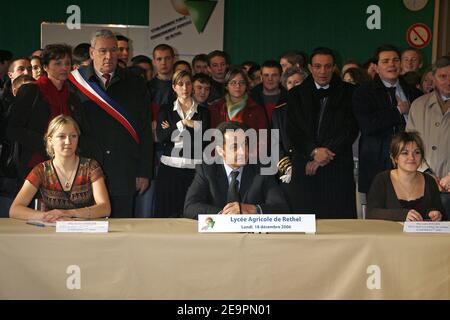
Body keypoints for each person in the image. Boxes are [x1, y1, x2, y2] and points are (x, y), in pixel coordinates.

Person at [68, 29, 152, 218]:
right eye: (103, 51)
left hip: (124, 170)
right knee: (85, 232)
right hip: (85, 171)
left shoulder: (135, 82)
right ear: (91, 52)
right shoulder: (74, 82)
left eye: (113, 50)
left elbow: (145, 130)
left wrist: (144, 172)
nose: (109, 56)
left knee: (121, 233)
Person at [286, 47, 359, 219]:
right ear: (310, 68)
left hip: (337, 167)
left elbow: (350, 130)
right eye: (318, 66)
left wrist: (323, 156)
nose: (323, 71)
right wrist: (313, 152)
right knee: (303, 225)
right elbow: (292, 130)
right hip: (304, 167)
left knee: (339, 227)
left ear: (334, 67)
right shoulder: (295, 94)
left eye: (327, 66)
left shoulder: (350, 92)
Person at [9, 115, 110, 221]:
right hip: (51, 231)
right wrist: (47, 216)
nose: (68, 141)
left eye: (73, 136)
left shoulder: (91, 167)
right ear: (50, 140)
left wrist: (68, 213)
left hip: (85, 233)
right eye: (62, 136)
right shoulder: (41, 170)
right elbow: (15, 209)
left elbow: (105, 208)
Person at [353, 45, 422, 197]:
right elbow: (368, 125)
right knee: (378, 215)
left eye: (395, 60)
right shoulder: (363, 93)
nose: (392, 64)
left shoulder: (414, 92)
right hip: (376, 163)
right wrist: (398, 111)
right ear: (376, 67)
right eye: (385, 61)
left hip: (409, 164)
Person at [184, 121, 289, 219]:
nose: (243, 152)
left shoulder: (263, 168)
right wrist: (225, 215)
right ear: (220, 151)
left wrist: (252, 209)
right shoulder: (207, 169)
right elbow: (190, 207)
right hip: (217, 235)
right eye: (235, 147)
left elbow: (281, 208)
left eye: (245, 144)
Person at [8, 44, 74, 180]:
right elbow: (12, 128)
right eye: (58, 63)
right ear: (45, 67)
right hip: (33, 162)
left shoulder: (72, 96)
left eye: (67, 63)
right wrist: (48, 144)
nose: (64, 68)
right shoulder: (31, 91)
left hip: (65, 163)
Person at [155, 70, 210, 218]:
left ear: (192, 86)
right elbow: (162, 137)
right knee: (167, 213)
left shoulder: (204, 112)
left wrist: (173, 128)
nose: (185, 88)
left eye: (188, 83)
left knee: (192, 214)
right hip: (169, 168)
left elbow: (205, 139)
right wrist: (184, 123)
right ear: (174, 87)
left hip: (195, 170)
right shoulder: (165, 110)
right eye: (180, 84)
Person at [406, 56, 450, 215]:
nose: (448, 81)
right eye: (443, 76)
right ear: (433, 78)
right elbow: (409, 145)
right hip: (422, 181)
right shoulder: (419, 105)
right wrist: (427, 174)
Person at [367, 131, 444, 221]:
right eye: (405, 153)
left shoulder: (430, 181)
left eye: (417, 152)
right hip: (390, 234)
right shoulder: (382, 180)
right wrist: (402, 215)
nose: (411, 157)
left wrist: (435, 213)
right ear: (395, 157)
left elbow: (441, 213)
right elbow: (371, 213)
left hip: (422, 235)